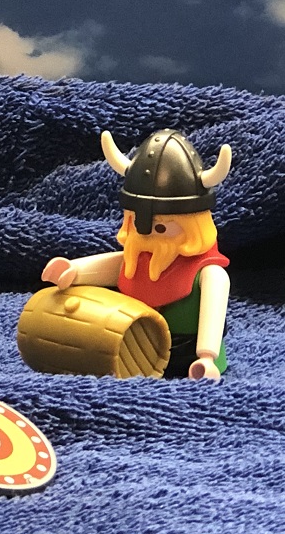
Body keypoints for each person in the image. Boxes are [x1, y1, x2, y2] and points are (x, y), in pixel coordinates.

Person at [42, 129, 232, 379]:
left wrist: (206, 357)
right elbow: (115, 265)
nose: (147, 236)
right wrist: (74, 270)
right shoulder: (137, 257)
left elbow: (213, 311)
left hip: (188, 357)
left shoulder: (210, 274)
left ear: (193, 225)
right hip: (137, 351)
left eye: (161, 228)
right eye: (134, 223)